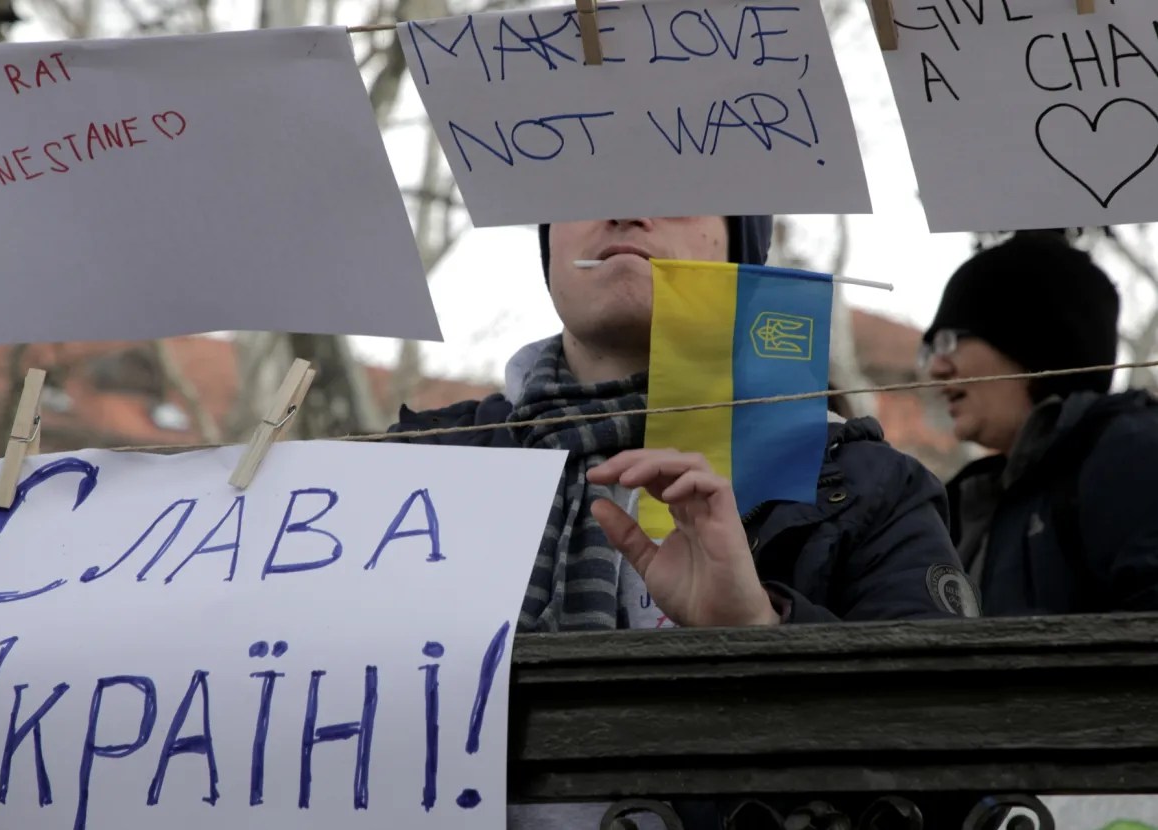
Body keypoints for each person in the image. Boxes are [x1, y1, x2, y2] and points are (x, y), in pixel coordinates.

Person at [385, 213, 978, 829]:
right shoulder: (417, 464)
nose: (626, 208)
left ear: (737, 244)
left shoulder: (869, 488)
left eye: (679, 193)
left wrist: (759, 631)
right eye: (581, 188)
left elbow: (962, 766)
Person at [925, 230, 1158, 615]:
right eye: (930, 349)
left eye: (949, 341)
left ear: (1030, 341)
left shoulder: (1133, 457)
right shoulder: (975, 499)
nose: (936, 368)